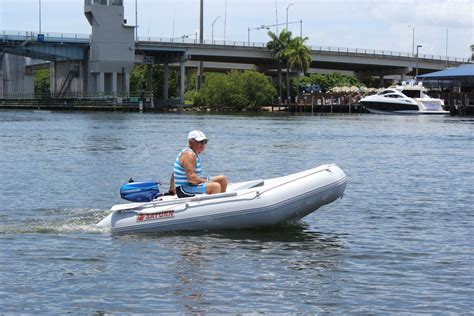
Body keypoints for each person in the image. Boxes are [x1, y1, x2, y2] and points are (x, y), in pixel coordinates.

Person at [170, 130, 228, 198]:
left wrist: (171, 187)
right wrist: (207, 182)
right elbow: (192, 179)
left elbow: (174, 172)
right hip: (184, 190)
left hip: (189, 185)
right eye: (200, 142)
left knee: (222, 179)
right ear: (190, 142)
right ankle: (214, 206)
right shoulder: (189, 155)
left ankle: (221, 201)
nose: (203, 144)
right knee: (215, 186)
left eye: (204, 142)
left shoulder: (191, 153)